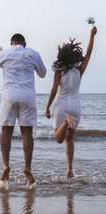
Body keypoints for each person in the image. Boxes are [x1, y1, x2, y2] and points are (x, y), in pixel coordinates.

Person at [0, 34, 46, 189]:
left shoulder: (5, 53)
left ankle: (5, 166)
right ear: (24, 43)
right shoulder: (32, 53)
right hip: (27, 96)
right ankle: (27, 168)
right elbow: (43, 73)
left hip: (9, 96)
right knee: (27, 133)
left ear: (11, 43)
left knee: (6, 132)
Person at [45, 26, 97, 178]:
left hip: (62, 105)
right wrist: (92, 36)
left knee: (59, 138)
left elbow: (54, 88)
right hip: (76, 106)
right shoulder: (79, 70)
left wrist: (48, 106)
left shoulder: (59, 70)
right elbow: (88, 54)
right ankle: (69, 170)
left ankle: (67, 122)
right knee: (70, 139)